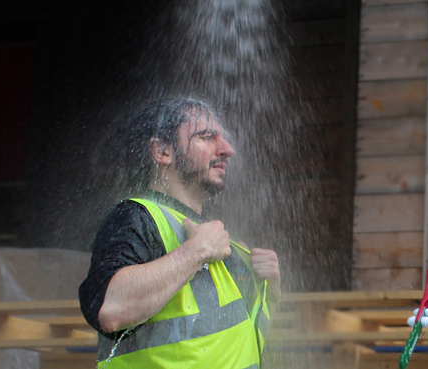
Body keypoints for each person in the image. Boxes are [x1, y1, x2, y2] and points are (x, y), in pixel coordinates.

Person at [79, 98, 280, 369]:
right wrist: (197, 252)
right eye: (206, 137)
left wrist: (270, 292)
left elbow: (240, 344)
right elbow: (110, 309)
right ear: (162, 151)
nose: (227, 150)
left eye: (223, 139)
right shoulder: (136, 217)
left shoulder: (221, 243)